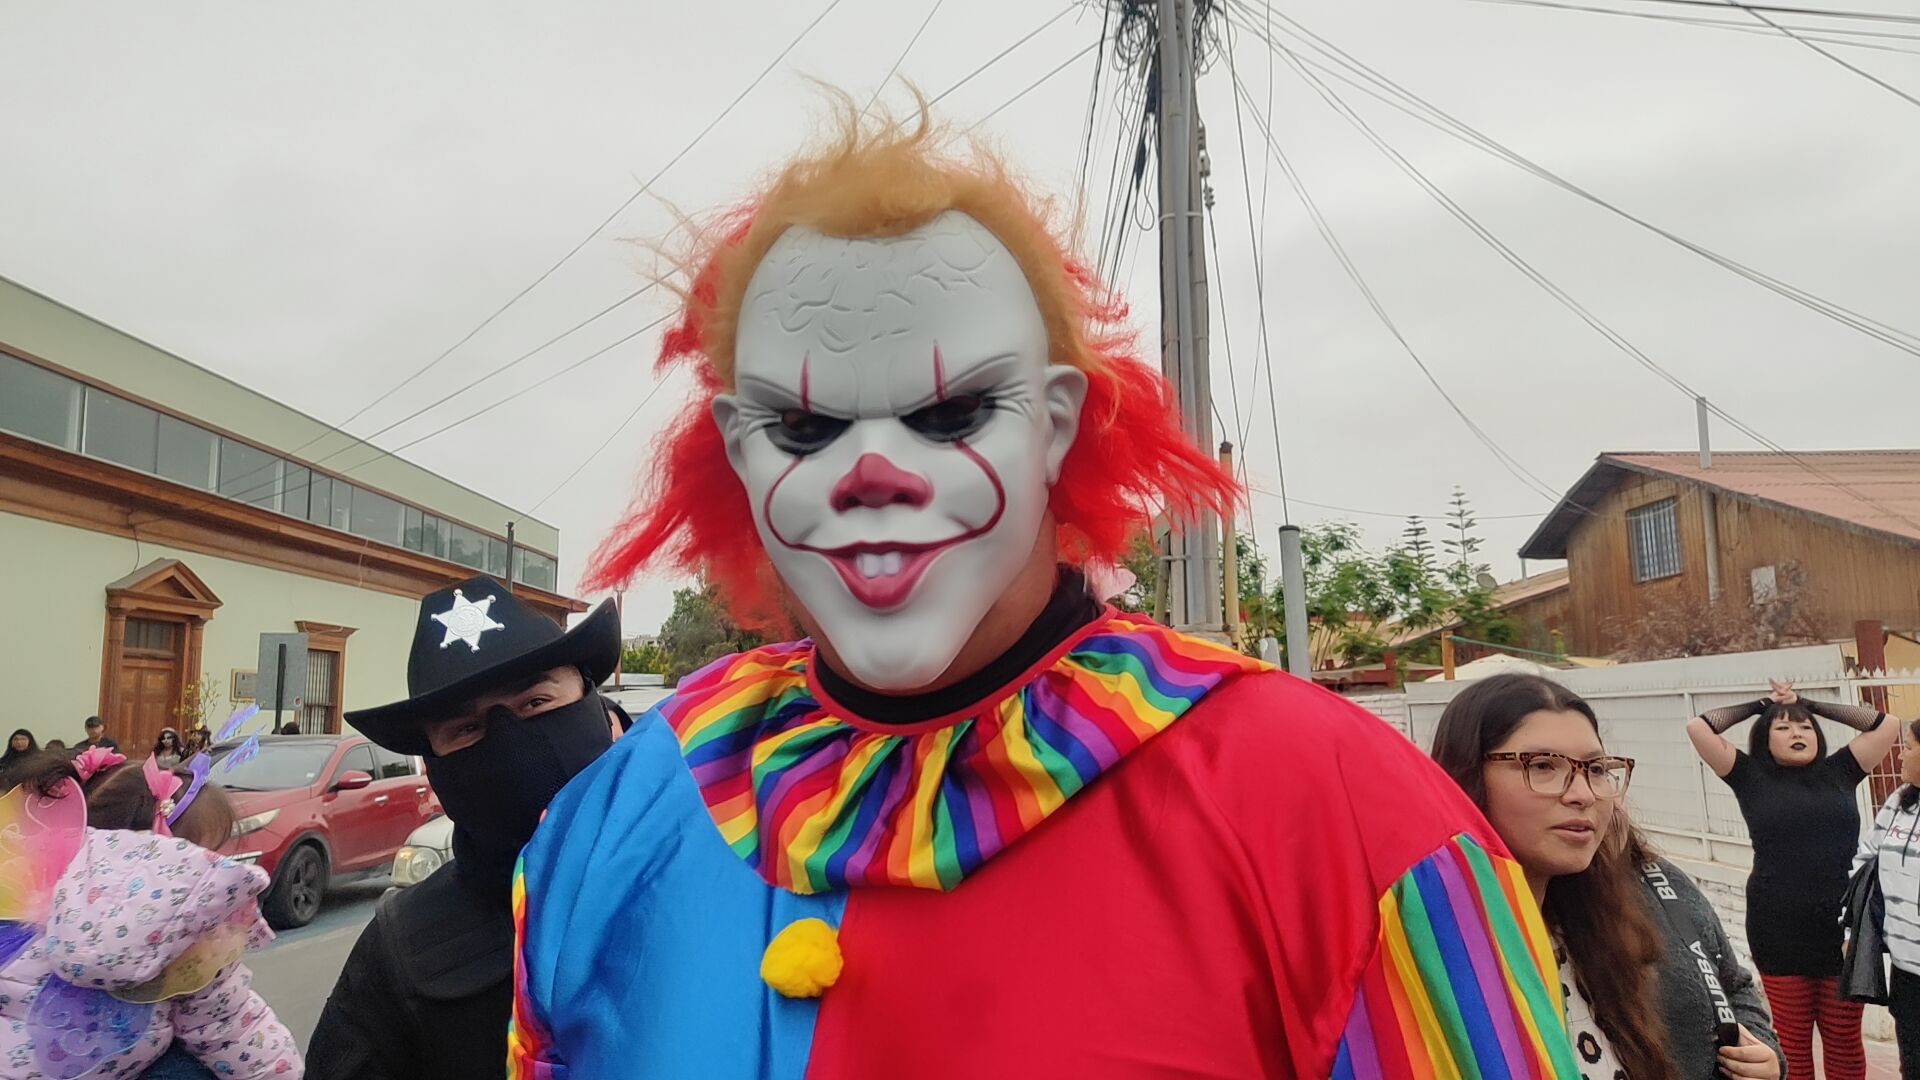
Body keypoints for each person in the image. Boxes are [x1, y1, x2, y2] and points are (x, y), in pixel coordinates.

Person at [508, 99, 1581, 1080]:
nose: (872, 475)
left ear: (1058, 423)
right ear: (738, 447)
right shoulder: (620, 815)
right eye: (800, 426)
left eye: (950, 414)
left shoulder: (1338, 814)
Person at [305, 575, 626, 1080]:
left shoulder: (716, 867)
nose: (511, 746)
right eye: (467, 729)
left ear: (595, 705)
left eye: (536, 703)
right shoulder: (403, 950)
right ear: (434, 767)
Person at [1431, 674, 1781, 1080]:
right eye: (1542, 766)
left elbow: (1731, 984)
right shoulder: (1434, 950)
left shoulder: (1629, 902)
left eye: (1596, 769)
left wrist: (1764, 1051)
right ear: (1466, 776)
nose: (1583, 794)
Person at [0, 746, 301, 1078]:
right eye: (207, 855)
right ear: (169, 859)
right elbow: (230, 1027)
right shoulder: (187, 931)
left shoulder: (22, 893)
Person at [1686, 679, 1897, 1080]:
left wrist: (1809, 704)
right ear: (1765, 739)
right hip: (1777, 928)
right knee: (1793, 1043)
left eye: (1804, 726)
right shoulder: (1748, 775)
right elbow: (1699, 727)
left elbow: (1886, 725)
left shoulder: (1841, 770)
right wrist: (1765, 704)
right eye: (1782, 727)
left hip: (1842, 930)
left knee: (1844, 1039)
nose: (1797, 732)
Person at [1855, 719, 1920, 1077]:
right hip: (1906, 968)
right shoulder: (1899, 802)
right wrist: (1851, 929)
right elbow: (1866, 859)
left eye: (1907, 747)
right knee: (1913, 1062)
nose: (1900, 756)